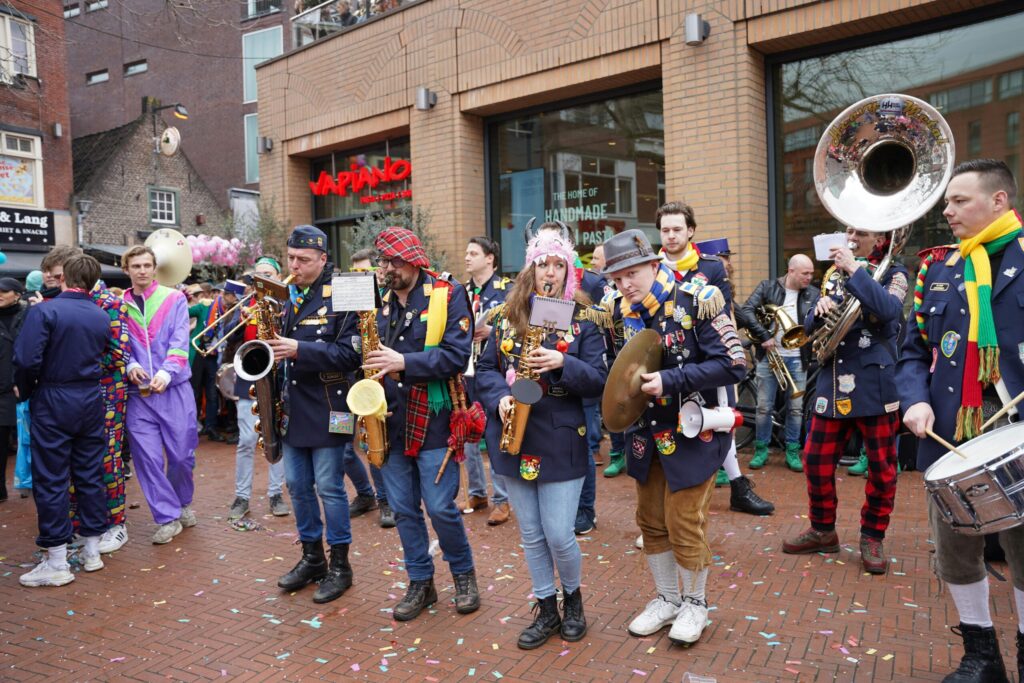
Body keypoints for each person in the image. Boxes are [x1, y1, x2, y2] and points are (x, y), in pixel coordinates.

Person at [898, 159, 1024, 682]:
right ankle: (982, 656)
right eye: (947, 201)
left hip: (1017, 433)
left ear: (999, 201)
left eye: (958, 200)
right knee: (955, 548)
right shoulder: (938, 268)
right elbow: (913, 349)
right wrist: (914, 399)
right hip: (951, 435)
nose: (946, 210)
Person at [603, 229, 746, 646]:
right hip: (647, 435)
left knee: (684, 522)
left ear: (654, 263)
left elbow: (735, 363)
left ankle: (696, 605)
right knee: (650, 522)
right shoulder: (621, 312)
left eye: (632, 273)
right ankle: (667, 599)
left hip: (692, 432)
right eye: (617, 279)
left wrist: (670, 379)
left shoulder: (697, 299)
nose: (625, 285)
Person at [475, 229, 606, 649]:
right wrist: (498, 400)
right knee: (531, 534)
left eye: (558, 264)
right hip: (515, 437)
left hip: (560, 440)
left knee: (559, 534)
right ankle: (546, 609)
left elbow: (599, 381)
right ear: (530, 268)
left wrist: (562, 362)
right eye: (542, 264)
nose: (550, 272)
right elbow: (486, 371)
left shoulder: (586, 319)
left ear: (570, 270)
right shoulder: (505, 315)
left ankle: (574, 600)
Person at [362, 226, 479, 622]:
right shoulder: (378, 302)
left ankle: (463, 575)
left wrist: (404, 363)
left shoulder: (448, 294)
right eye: (383, 262)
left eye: (394, 261)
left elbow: (455, 356)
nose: (387, 269)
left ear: (413, 260)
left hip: (433, 419)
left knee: (440, 508)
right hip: (388, 418)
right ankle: (420, 581)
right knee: (402, 509)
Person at [782, 226, 908, 575]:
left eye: (859, 230)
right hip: (833, 379)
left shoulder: (894, 272)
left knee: (882, 469)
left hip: (874, 381)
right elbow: (811, 329)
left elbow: (888, 313)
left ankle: (872, 535)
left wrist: (855, 269)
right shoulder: (833, 276)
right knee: (815, 459)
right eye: (848, 228)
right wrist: (817, 310)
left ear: (879, 238)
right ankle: (823, 529)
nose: (850, 234)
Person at [268, 226, 363, 604]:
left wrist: (299, 350)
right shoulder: (289, 295)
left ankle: (341, 565)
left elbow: (352, 355)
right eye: (291, 258)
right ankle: (312, 558)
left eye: (303, 260)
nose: (295, 265)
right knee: (296, 485)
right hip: (294, 406)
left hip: (333, 406)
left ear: (323, 259)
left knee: (330, 486)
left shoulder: (346, 289)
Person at [15, 255, 112, 586]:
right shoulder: (100, 315)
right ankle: (92, 552)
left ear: (66, 277)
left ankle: (57, 562)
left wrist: (25, 391)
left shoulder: (45, 310)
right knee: (90, 473)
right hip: (89, 398)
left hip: (55, 396)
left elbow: (27, 360)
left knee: (52, 477)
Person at [122, 245, 200, 545]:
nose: (141, 270)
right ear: (127, 269)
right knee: (147, 459)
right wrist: (130, 365)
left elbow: (181, 340)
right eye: (135, 266)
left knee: (182, 455)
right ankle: (167, 517)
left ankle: (182, 502)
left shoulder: (174, 298)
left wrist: (167, 372)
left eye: (146, 265)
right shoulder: (120, 305)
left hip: (175, 388)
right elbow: (120, 344)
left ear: (154, 267)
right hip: (138, 394)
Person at [695, 238, 775, 516]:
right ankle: (735, 487)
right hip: (709, 367)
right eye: (723, 258)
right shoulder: (707, 285)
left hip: (721, 365)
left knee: (724, 424)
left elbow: (735, 314)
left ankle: (736, 486)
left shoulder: (722, 285)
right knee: (718, 424)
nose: (729, 263)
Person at [737, 253, 817, 471]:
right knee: (763, 407)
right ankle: (761, 449)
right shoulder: (767, 287)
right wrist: (764, 336)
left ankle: (792, 451)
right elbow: (745, 311)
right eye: (805, 273)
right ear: (791, 271)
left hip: (798, 357)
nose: (809, 277)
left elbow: (817, 323)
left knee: (796, 409)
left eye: (811, 273)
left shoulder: (813, 293)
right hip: (769, 357)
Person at [225, 268, 290, 521]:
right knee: (246, 441)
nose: (262, 277)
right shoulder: (247, 304)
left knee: (277, 438)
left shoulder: (286, 305)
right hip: (249, 379)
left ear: (277, 277)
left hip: (278, 378)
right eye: (258, 273)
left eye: (268, 273)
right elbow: (227, 337)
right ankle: (242, 496)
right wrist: (240, 320)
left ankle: (276, 494)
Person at [462, 235, 514, 526]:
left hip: (492, 371)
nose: (467, 257)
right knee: (468, 435)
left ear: (490, 258)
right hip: (466, 372)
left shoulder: (506, 289)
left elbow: (518, 322)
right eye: (466, 253)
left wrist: (492, 330)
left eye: (473, 253)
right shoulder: (461, 291)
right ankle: (476, 493)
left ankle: (502, 500)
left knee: (494, 435)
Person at [343, 247, 393, 528]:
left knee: (372, 441)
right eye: (356, 273)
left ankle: (385, 499)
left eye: (366, 272)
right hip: (343, 386)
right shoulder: (346, 307)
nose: (361, 279)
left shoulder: (388, 305)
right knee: (341, 448)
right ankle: (365, 494)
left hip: (374, 386)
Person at [0, 277, 27, 502]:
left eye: (4, 291)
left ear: (17, 294)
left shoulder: (29, 315)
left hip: (21, 388)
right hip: (1, 388)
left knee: (24, 440)